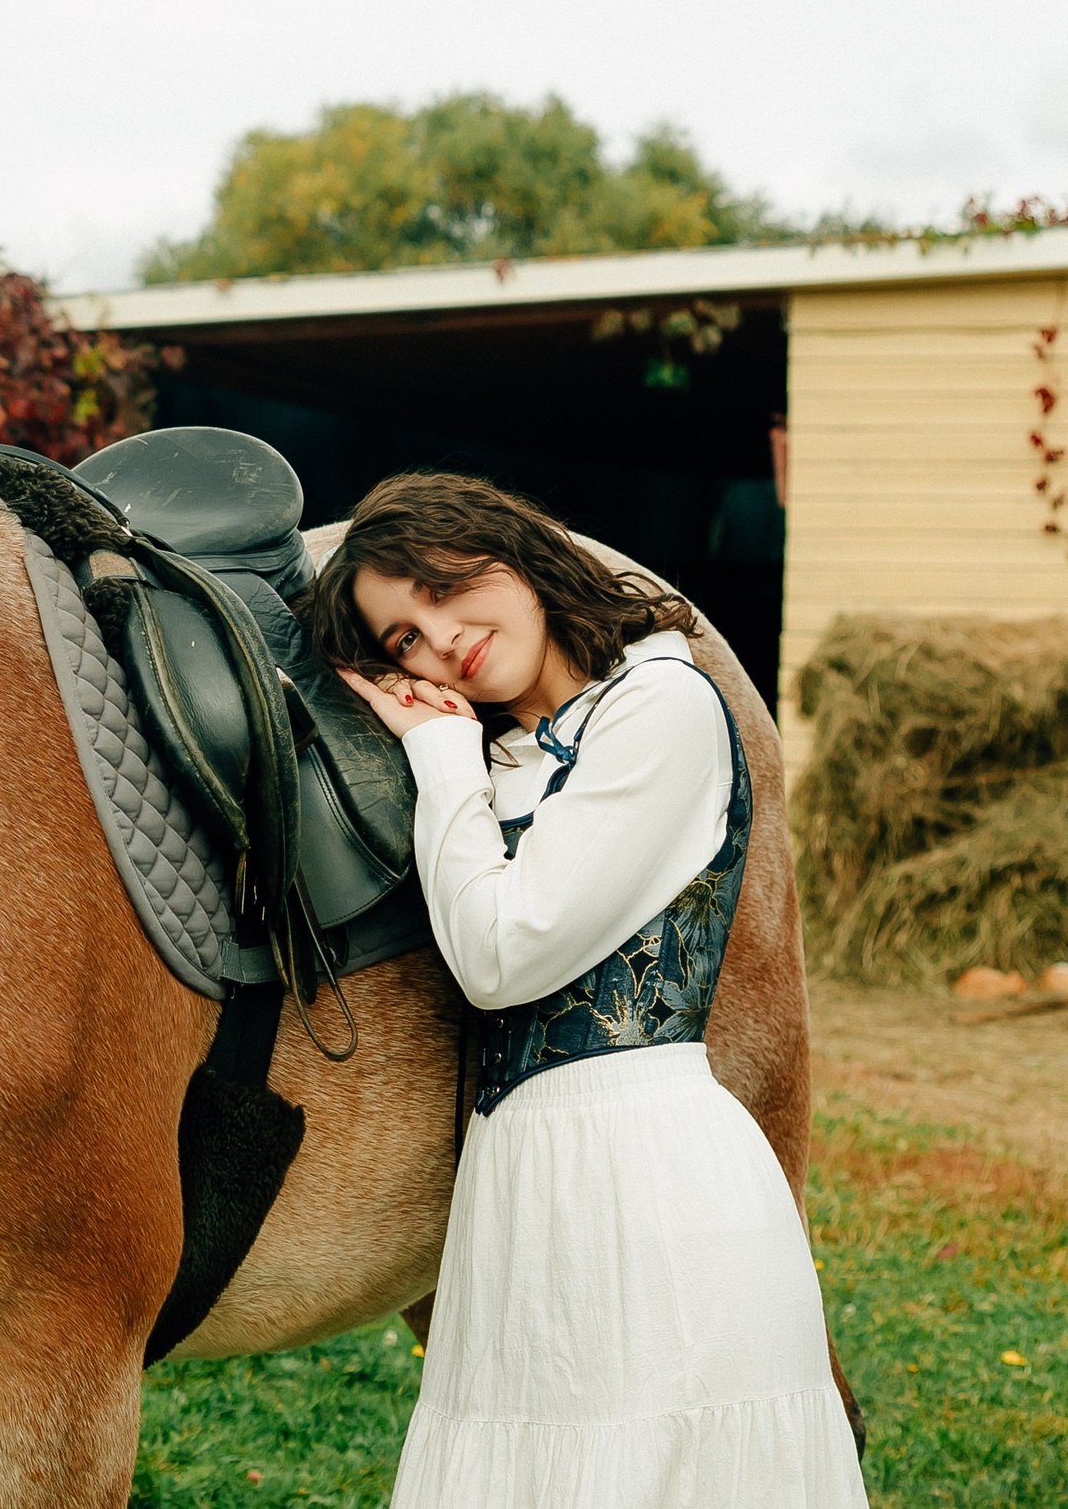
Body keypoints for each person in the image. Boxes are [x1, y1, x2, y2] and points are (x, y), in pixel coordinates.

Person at [303, 471, 866, 1508]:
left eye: (441, 585)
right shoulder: (510, 754)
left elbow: (501, 953)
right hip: (520, 1182)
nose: (439, 639)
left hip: (650, 1174)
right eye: (402, 642)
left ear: (513, 552)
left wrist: (434, 752)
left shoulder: (661, 706)